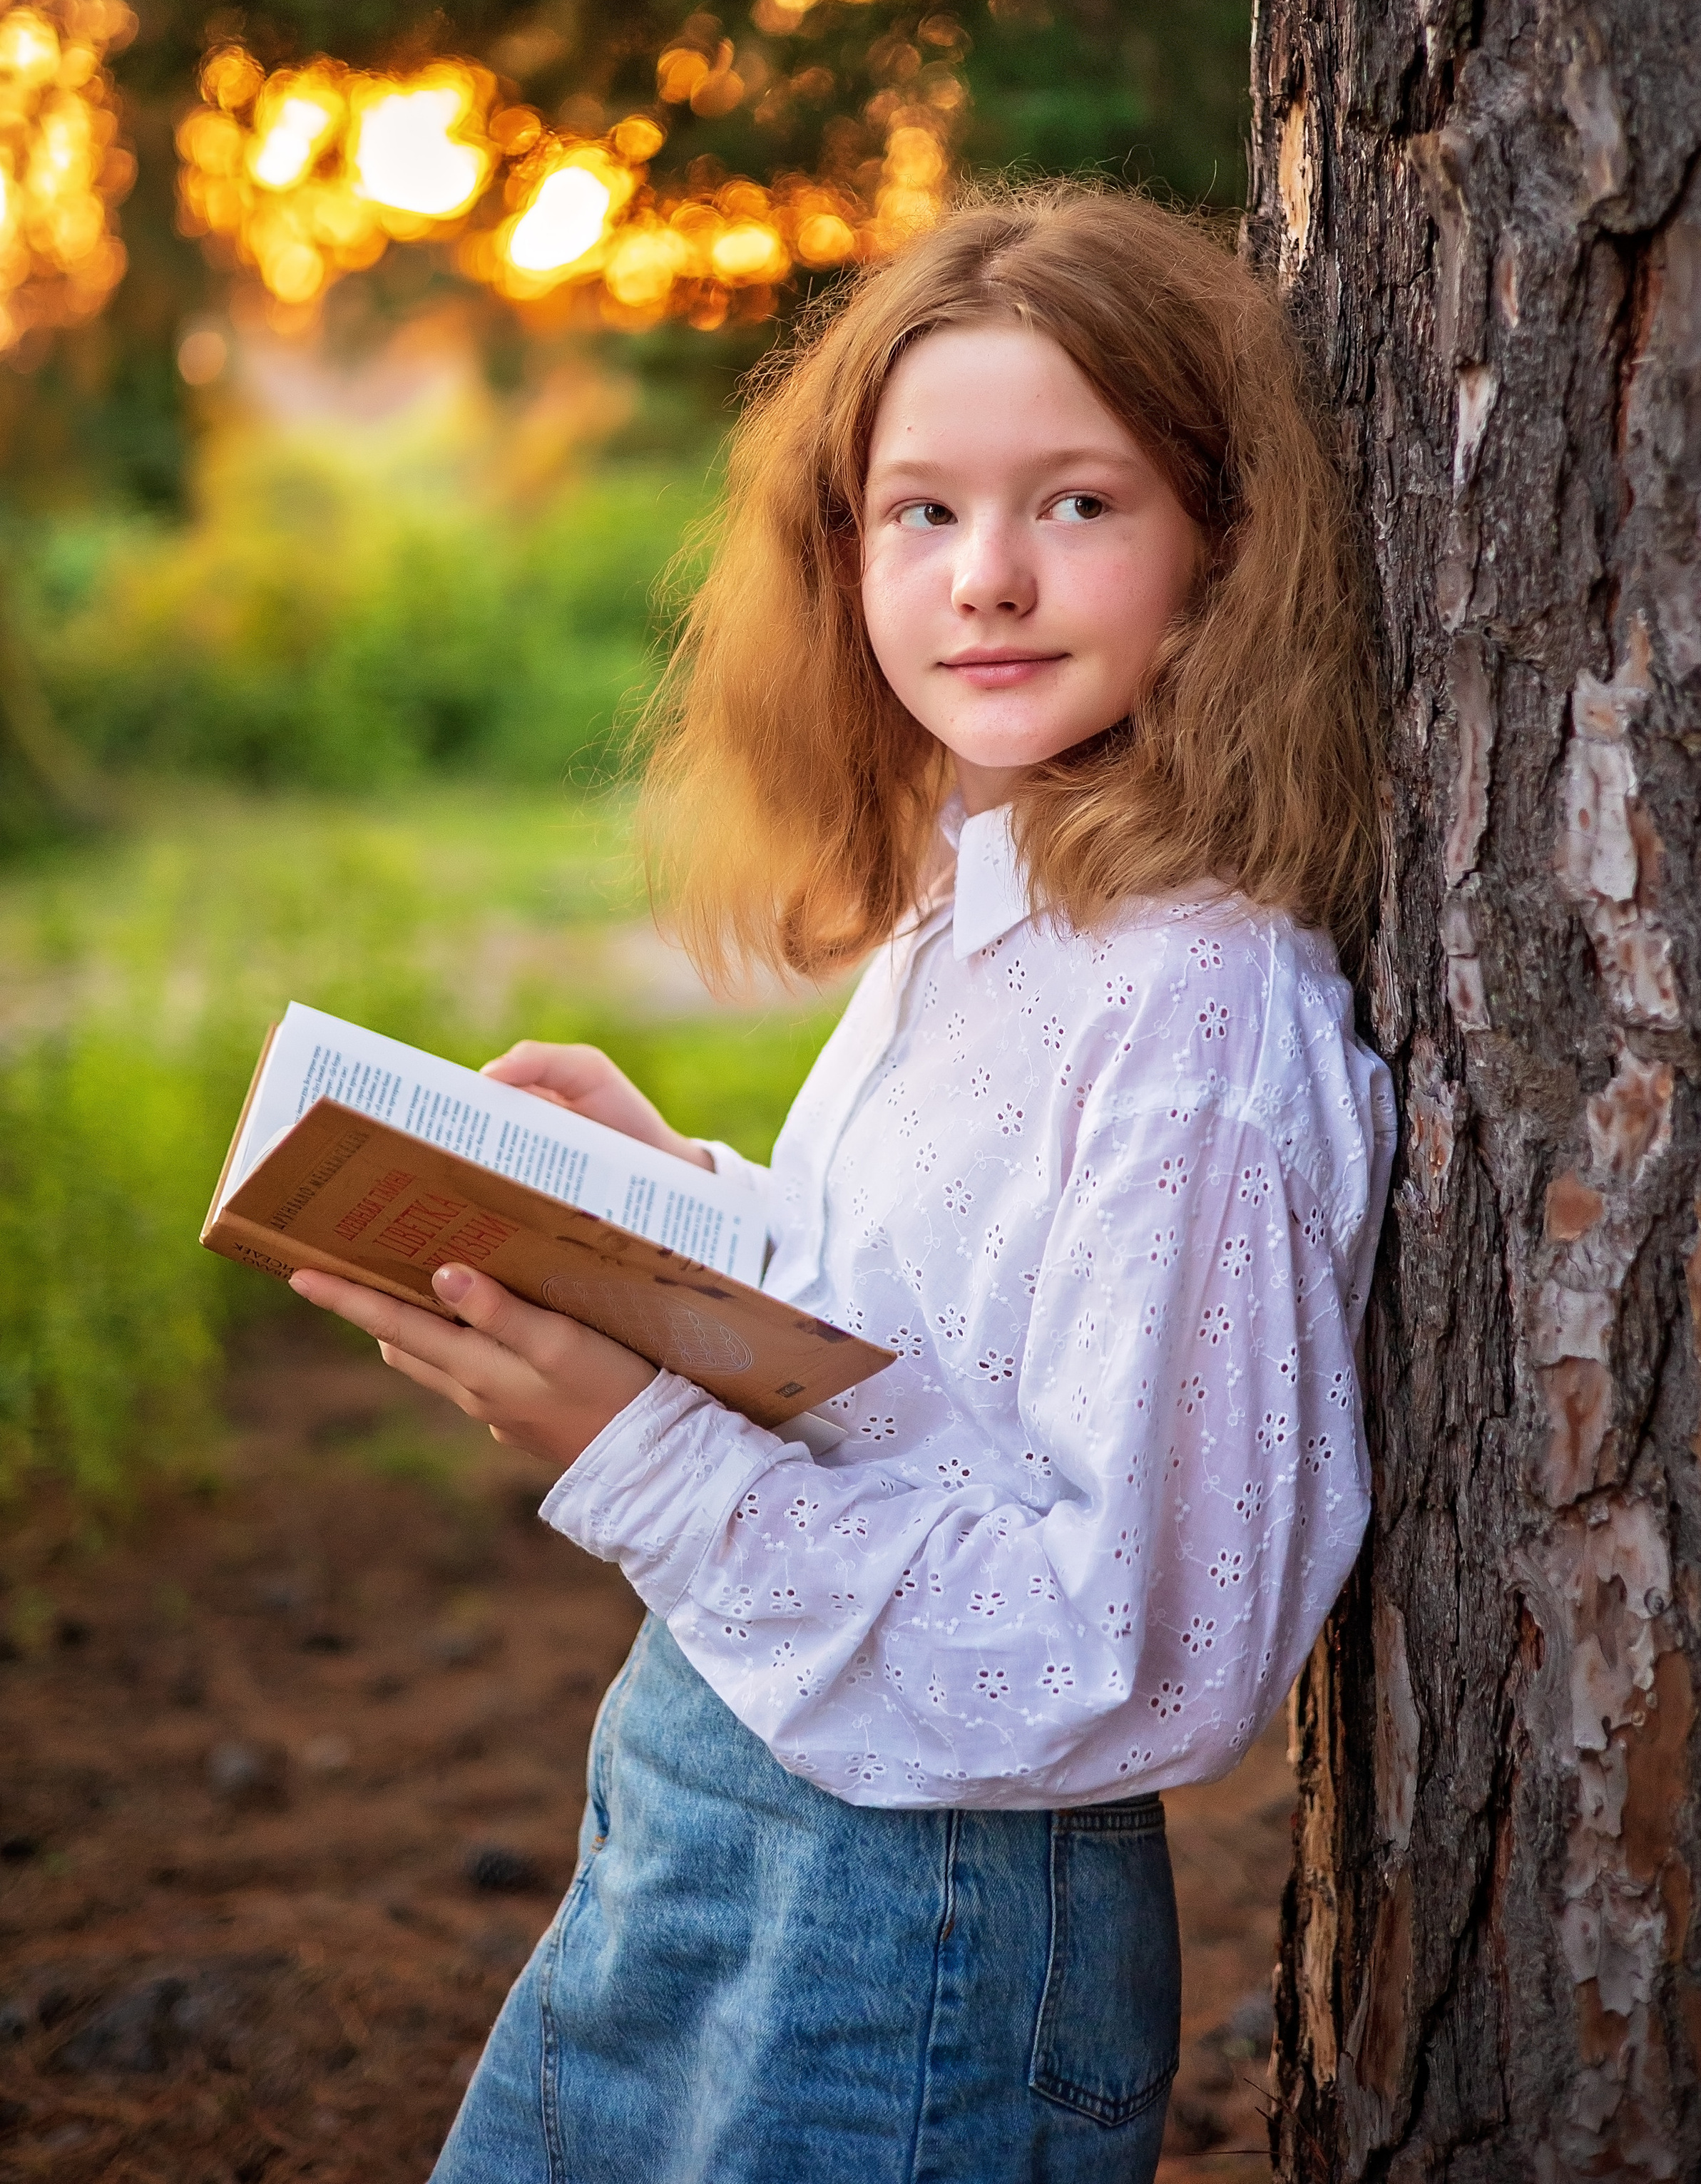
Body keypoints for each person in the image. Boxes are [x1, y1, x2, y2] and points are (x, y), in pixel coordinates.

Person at [290, 181, 1397, 2184]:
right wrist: (678, 1211)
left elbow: (1129, 1652)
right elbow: (941, 1353)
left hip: (922, 1944)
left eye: (1078, 503)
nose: (987, 576)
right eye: (921, 511)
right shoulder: (982, 906)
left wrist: (634, 1448)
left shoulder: (1198, 1009)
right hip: (693, 1820)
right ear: (846, 555)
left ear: (1221, 547)